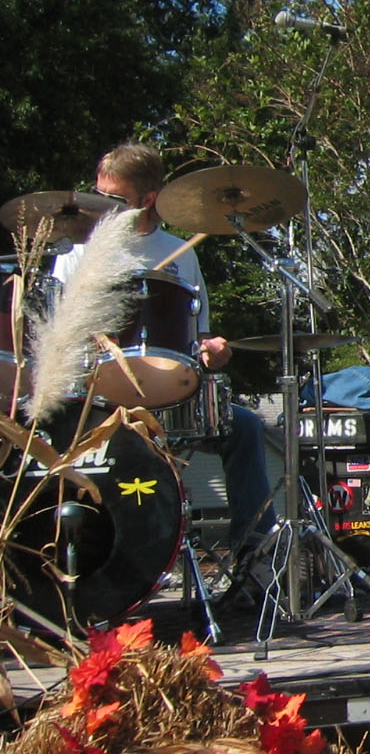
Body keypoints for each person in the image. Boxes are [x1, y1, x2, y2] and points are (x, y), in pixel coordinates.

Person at [52, 143, 277, 566]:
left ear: (147, 198)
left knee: (245, 427)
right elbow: (57, 336)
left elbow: (196, 338)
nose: (101, 206)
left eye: (114, 198)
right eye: (98, 194)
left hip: (168, 399)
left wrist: (210, 351)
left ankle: (253, 560)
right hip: (97, 401)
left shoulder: (181, 253)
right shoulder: (78, 252)